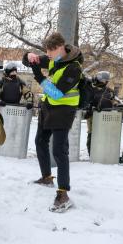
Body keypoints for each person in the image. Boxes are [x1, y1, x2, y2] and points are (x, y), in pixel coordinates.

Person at [22, 32, 83, 213]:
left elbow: (57, 93)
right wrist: (29, 57)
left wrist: (38, 76)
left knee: (59, 150)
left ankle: (63, 193)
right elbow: (29, 61)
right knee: (40, 141)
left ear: (61, 47)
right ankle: (47, 177)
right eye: (45, 51)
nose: (47, 54)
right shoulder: (53, 59)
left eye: (50, 50)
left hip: (64, 110)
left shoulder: (74, 67)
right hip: (48, 107)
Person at [84, 71, 116, 155]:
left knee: (103, 134)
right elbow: (86, 101)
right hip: (92, 115)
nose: (104, 82)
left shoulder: (109, 91)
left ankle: (102, 152)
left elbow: (113, 102)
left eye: (106, 80)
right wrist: (89, 108)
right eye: (103, 80)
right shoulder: (90, 88)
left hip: (105, 116)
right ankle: (91, 153)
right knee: (91, 133)